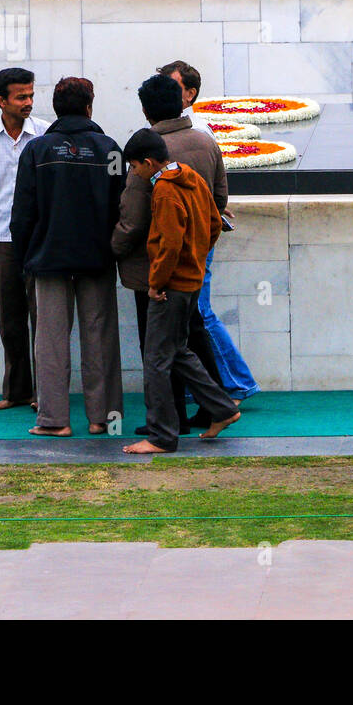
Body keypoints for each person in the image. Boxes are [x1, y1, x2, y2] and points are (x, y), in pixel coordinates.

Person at [111, 74, 229, 434]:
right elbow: (219, 201)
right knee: (193, 334)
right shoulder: (206, 143)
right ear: (182, 101)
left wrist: (112, 249)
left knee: (159, 348)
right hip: (194, 259)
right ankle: (213, 408)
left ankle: (169, 418)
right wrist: (201, 247)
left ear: (146, 110)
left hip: (156, 269)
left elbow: (131, 221)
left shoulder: (146, 156)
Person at [11, 76, 126, 437]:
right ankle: (103, 418)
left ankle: (54, 420)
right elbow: (118, 205)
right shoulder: (109, 149)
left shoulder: (37, 150)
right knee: (100, 338)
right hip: (97, 258)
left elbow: (22, 213)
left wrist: (25, 258)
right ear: (90, 106)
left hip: (48, 259)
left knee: (49, 341)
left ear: (57, 109)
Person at [121, 128, 241, 453]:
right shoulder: (192, 178)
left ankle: (161, 436)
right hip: (191, 281)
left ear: (147, 163)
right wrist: (197, 260)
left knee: (157, 360)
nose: (134, 173)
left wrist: (156, 283)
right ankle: (223, 409)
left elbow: (169, 244)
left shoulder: (163, 190)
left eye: (134, 167)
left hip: (170, 286)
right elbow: (214, 223)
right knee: (179, 351)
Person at [155, 59, 260, 405]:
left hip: (192, 233)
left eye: (172, 86)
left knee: (199, 310)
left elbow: (212, 186)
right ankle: (221, 383)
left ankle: (235, 382)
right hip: (194, 229)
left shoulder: (196, 132)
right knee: (196, 311)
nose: (165, 91)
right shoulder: (186, 130)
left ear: (189, 93)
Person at [0, 68, 50, 412]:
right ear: (1, 101)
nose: (28, 103)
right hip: (3, 235)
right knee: (11, 317)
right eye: (21, 97)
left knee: (43, 316)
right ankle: (17, 391)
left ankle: (43, 393)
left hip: (39, 236)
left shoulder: (46, 133)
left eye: (31, 95)